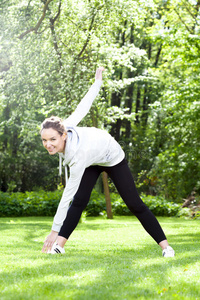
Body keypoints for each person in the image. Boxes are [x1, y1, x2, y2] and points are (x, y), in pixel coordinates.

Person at [40, 67, 175, 257]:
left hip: (111, 157)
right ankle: (59, 246)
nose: (48, 144)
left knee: (135, 203)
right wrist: (97, 83)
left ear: (63, 135)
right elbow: (84, 106)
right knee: (80, 200)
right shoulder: (65, 128)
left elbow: (66, 194)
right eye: (44, 140)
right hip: (92, 159)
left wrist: (54, 229)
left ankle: (166, 247)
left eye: (52, 140)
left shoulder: (78, 155)